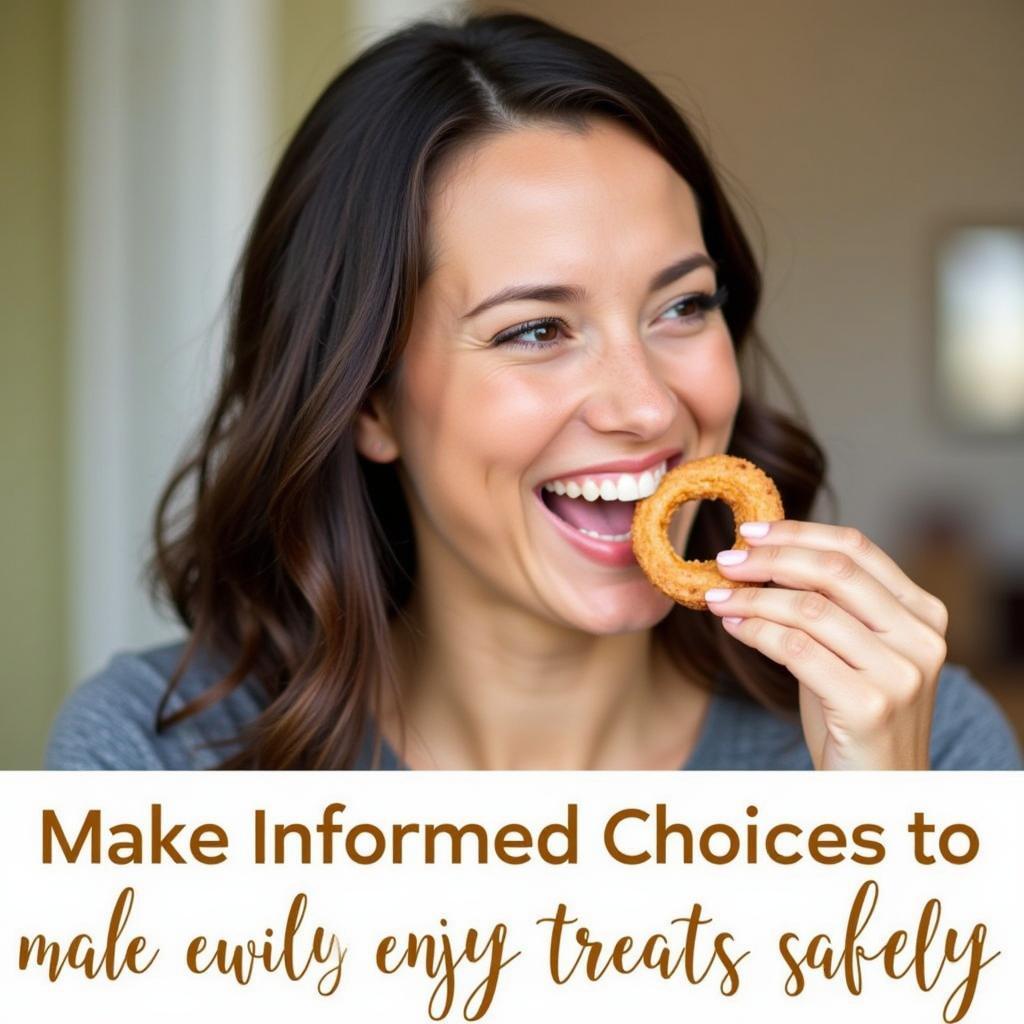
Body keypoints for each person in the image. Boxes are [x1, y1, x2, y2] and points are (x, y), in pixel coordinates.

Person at [45, 10, 1023, 772]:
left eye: (681, 306)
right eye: (536, 330)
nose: (643, 406)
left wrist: (886, 851)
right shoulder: (155, 758)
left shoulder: (922, 740)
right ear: (368, 403)